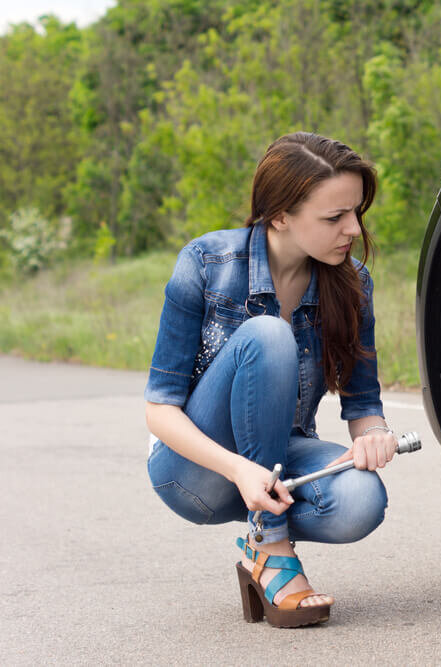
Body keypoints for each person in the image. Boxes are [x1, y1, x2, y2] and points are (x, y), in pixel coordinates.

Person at [144, 132, 397, 628]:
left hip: (283, 458)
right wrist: (239, 470)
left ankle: (262, 544)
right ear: (280, 215)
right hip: (196, 472)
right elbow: (159, 410)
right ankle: (272, 547)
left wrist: (373, 436)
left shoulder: (353, 284)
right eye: (333, 217)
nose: (351, 229)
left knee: (362, 501)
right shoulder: (205, 264)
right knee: (267, 336)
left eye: (355, 213)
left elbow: (362, 401)